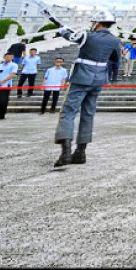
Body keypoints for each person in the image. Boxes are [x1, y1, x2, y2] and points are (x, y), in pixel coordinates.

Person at [53, 9, 122, 168]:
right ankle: (81, 152)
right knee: (88, 114)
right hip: (99, 79)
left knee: (68, 112)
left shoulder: (87, 35)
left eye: (93, 22)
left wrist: (62, 29)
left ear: (97, 23)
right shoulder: (115, 40)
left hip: (81, 77)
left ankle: (65, 152)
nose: (92, 24)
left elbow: (70, 36)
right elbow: (115, 59)